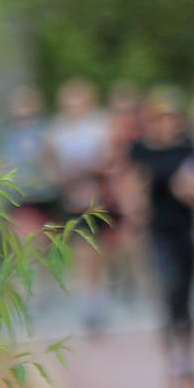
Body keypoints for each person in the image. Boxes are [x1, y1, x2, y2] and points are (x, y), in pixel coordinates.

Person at [126, 86, 194, 388]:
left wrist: (191, 189)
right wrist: (135, 205)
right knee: (167, 288)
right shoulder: (141, 151)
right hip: (158, 231)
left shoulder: (188, 149)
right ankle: (173, 355)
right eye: (160, 118)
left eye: (171, 118)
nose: (166, 124)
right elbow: (130, 183)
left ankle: (189, 353)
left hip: (186, 228)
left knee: (186, 294)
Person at [47, 78, 119, 330]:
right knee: (79, 246)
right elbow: (50, 162)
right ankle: (86, 298)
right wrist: (63, 177)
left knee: (97, 247)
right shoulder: (57, 130)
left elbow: (110, 158)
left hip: (96, 195)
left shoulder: (100, 126)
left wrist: (91, 169)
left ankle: (99, 292)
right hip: (71, 196)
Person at [0, 84, 63, 243]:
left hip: (44, 193)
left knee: (46, 238)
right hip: (18, 194)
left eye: (26, 102)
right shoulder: (7, 132)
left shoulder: (46, 129)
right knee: (22, 238)